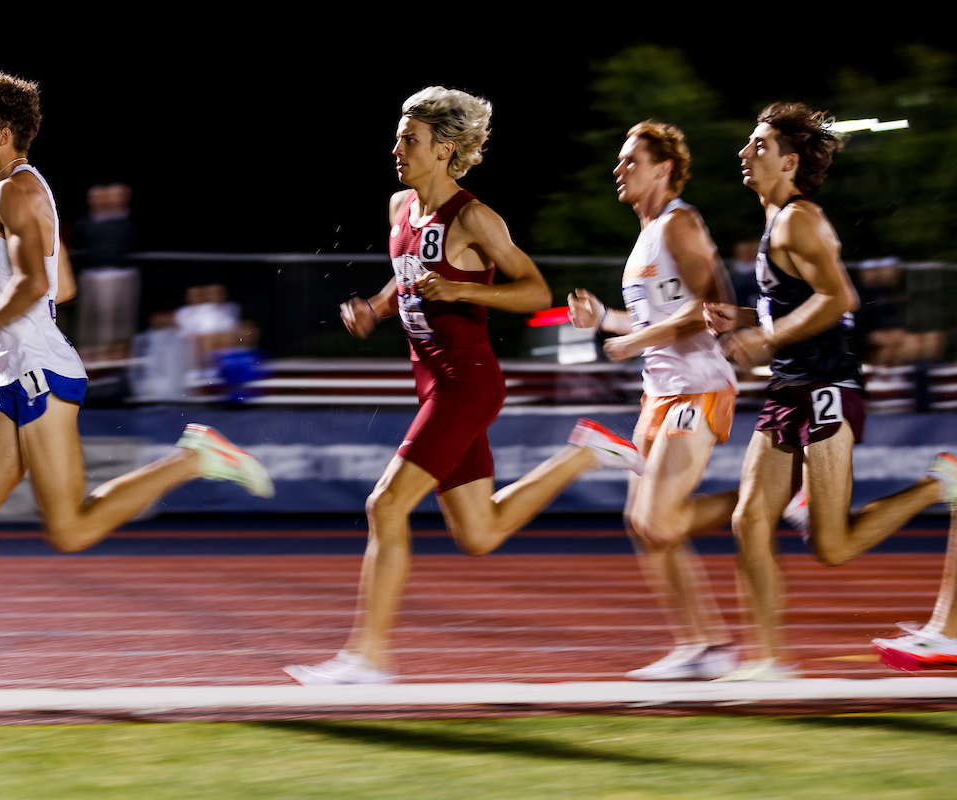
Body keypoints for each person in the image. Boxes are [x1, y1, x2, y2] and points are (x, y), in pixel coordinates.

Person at [0, 73, 272, 692]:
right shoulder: (25, 190)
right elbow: (65, 285)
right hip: (15, 375)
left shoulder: (14, 194)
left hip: (39, 375)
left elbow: (35, 284)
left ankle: (195, 458)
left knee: (70, 528)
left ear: (4, 133)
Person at [284, 86, 645, 686]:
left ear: (444, 149)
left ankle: (367, 659)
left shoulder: (475, 218)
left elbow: (535, 291)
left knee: (385, 505)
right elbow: (406, 279)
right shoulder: (400, 207)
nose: (397, 148)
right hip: (433, 383)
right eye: (398, 137)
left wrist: (461, 289)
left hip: (467, 382)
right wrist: (376, 308)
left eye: (410, 139)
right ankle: (584, 453)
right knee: (480, 533)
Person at [704, 102, 956, 680]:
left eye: (759, 145)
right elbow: (804, 301)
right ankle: (767, 661)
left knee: (832, 546)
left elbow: (840, 299)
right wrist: (745, 319)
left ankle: (939, 483)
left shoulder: (799, 218)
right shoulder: (775, 222)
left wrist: (763, 337)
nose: (745, 152)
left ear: (789, 162)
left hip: (826, 387)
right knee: (749, 521)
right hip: (788, 388)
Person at [567, 121, 740, 680]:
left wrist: (635, 342)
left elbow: (713, 308)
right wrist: (604, 320)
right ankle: (703, 647)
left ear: (663, 168)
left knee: (658, 518)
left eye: (631, 161)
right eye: (620, 161)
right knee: (641, 523)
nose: (619, 169)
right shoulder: (645, 235)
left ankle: (771, 495)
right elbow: (652, 321)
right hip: (660, 392)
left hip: (698, 385)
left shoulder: (679, 223)